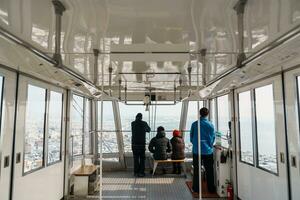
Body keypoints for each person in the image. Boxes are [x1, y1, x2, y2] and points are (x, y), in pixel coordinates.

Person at [190, 107, 215, 193]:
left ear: (200, 114)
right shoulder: (210, 125)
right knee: (209, 170)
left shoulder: (194, 124)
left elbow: (191, 137)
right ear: (207, 114)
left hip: (197, 151)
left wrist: (196, 144)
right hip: (208, 151)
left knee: (196, 170)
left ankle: (196, 188)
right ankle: (211, 189)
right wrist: (209, 145)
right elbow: (212, 138)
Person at [131, 113, 151, 177]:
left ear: (136, 117)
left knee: (136, 159)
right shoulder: (144, 123)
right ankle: (141, 172)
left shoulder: (133, 123)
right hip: (142, 144)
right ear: (141, 117)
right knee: (142, 159)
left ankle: (136, 172)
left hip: (134, 144)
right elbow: (149, 130)